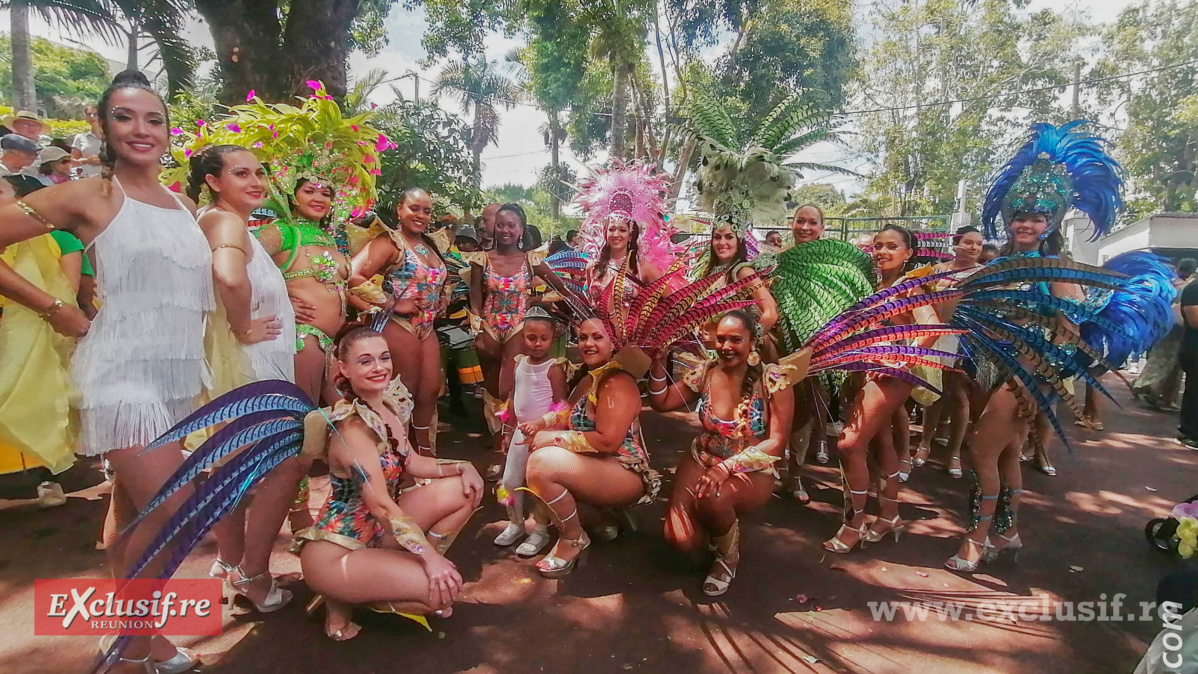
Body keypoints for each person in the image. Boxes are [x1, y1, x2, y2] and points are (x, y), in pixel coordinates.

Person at [0, 70, 206, 673]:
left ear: (168, 132)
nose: (140, 130)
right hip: (119, 371)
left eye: (153, 119)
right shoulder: (88, 196)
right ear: (102, 125)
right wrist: (54, 307)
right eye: (124, 117)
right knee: (180, 505)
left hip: (177, 377)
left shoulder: (184, 204)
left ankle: (138, 638)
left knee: (142, 514)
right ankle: (132, 644)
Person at [298, 326, 483, 640]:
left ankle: (389, 572)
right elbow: (382, 505)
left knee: (465, 488)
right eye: (366, 361)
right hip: (338, 553)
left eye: (384, 358)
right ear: (344, 368)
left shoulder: (386, 406)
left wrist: (463, 466)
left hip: (378, 531)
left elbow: (411, 461)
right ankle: (342, 596)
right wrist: (430, 559)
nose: (379, 367)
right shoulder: (352, 429)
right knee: (441, 594)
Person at [187, 144, 303, 612]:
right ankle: (252, 573)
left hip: (249, 365)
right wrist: (242, 325)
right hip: (249, 366)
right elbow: (230, 278)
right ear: (214, 181)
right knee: (285, 465)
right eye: (241, 173)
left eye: (259, 172)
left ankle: (231, 560)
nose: (256, 182)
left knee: (231, 468)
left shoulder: (224, 221)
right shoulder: (227, 221)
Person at [649, 311, 794, 595]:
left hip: (752, 467)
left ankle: (727, 556)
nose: (726, 346)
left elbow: (776, 442)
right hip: (702, 456)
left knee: (714, 499)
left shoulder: (774, 378)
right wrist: (656, 364)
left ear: (752, 341)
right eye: (721, 339)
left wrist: (725, 469)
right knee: (682, 541)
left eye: (736, 340)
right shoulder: (705, 371)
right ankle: (716, 528)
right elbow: (661, 402)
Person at [823, 224, 940, 554]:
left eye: (892, 246)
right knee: (880, 441)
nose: (882, 251)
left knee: (849, 444)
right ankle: (889, 515)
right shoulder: (877, 286)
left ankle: (853, 524)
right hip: (868, 371)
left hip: (890, 376)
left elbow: (931, 325)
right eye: (878, 246)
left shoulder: (908, 288)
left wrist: (906, 357)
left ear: (908, 253)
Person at [463, 203, 579, 472]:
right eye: (500, 224)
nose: (505, 230)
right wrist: (478, 328)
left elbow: (559, 286)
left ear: (521, 230)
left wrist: (578, 306)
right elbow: (476, 296)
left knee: (508, 390)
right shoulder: (481, 259)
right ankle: (498, 444)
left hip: (517, 327)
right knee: (491, 392)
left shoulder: (531, 260)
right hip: (489, 328)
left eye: (511, 225)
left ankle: (506, 450)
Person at [349, 188, 448, 455]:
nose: (421, 215)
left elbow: (435, 281)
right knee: (402, 395)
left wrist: (442, 300)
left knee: (429, 392)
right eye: (414, 208)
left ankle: (424, 454)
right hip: (397, 325)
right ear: (399, 210)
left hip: (427, 328)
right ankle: (398, 458)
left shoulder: (430, 244)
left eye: (426, 211)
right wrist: (392, 303)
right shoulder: (390, 241)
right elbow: (354, 275)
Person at [493, 306, 568, 554]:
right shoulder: (518, 364)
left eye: (543, 338)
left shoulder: (554, 368)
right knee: (508, 481)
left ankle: (539, 531)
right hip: (519, 433)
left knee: (538, 486)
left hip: (543, 437)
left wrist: (541, 425)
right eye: (531, 337)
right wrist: (506, 429)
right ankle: (515, 523)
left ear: (552, 338)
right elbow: (513, 399)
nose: (537, 343)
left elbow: (561, 407)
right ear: (523, 336)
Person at [912, 225, 985, 478]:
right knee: (934, 392)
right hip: (937, 338)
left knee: (959, 396)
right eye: (969, 242)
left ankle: (954, 454)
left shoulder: (985, 275)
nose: (974, 247)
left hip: (966, 341)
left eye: (978, 243)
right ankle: (924, 444)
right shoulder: (936, 271)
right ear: (956, 243)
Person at [575, 161, 677, 313]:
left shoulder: (643, 268)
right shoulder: (593, 267)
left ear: (630, 235)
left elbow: (673, 299)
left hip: (633, 335)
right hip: (600, 335)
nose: (616, 234)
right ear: (605, 233)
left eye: (622, 230)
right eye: (612, 229)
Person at [687, 215, 778, 352]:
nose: (722, 242)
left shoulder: (742, 272)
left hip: (730, 359)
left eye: (729, 237)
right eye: (717, 237)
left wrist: (748, 345)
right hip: (701, 353)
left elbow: (771, 312)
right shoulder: (707, 271)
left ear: (739, 240)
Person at [1133, 258, 1196, 410]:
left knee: (1164, 360)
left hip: (1167, 325)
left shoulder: (1171, 283)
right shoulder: (1187, 286)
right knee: (1169, 362)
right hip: (1179, 328)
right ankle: (1151, 389)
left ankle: (1156, 391)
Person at [1179, 276, 1198, 449]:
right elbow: (1195, 320)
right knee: (1195, 392)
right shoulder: (1194, 289)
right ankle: (1191, 432)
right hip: (1194, 350)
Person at [71, 105, 104, 178]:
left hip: (110, 179)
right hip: (86, 179)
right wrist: (87, 160)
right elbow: (72, 162)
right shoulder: (80, 137)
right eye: (89, 114)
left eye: (95, 114)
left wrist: (103, 160)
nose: (92, 116)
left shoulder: (113, 137)